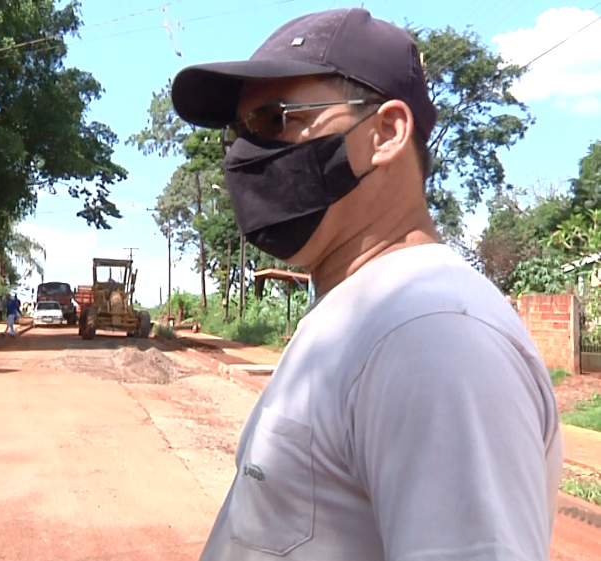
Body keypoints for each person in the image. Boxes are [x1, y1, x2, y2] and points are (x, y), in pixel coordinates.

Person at [169, 8, 561, 561]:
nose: (243, 155)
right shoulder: (365, 313)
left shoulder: (432, 335)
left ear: (386, 133)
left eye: (274, 120)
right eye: (239, 133)